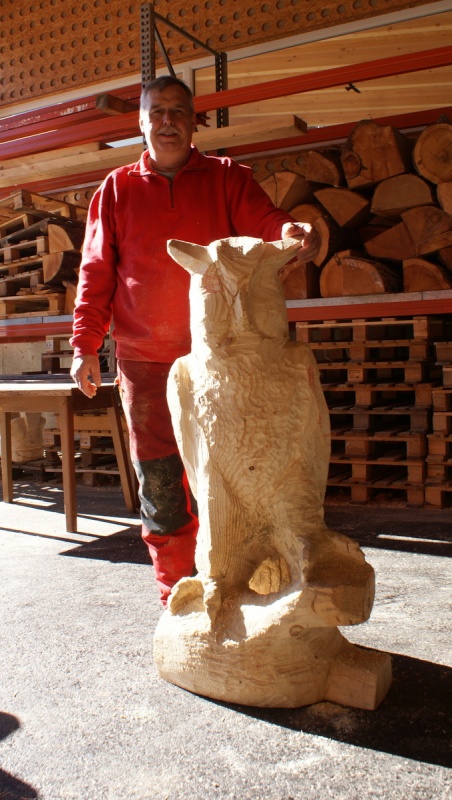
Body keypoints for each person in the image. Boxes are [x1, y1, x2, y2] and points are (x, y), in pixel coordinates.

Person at [70, 75, 320, 607]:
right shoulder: (115, 189)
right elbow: (96, 271)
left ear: (193, 121)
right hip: (144, 361)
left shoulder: (228, 177)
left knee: (231, 472)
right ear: (141, 122)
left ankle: (236, 583)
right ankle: (175, 594)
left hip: (223, 360)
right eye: (157, 111)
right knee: (161, 479)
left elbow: (266, 223)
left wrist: (290, 232)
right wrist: (85, 344)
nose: (168, 121)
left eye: (179, 111)